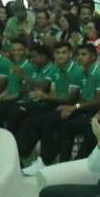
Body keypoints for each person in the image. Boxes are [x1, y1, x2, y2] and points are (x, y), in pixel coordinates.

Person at [16, 42, 83, 171]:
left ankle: (44, 160)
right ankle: (22, 155)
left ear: (70, 54)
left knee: (46, 122)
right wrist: (38, 92)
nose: (60, 56)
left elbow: (71, 98)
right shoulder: (54, 68)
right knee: (29, 120)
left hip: (73, 108)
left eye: (63, 53)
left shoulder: (77, 71)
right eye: (57, 53)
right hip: (55, 105)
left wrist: (46, 96)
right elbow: (43, 86)